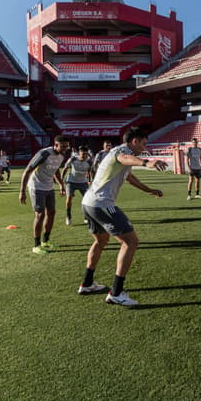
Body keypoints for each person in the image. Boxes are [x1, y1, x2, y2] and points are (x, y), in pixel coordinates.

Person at [77, 127, 168, 306]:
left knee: (101, 241)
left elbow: (129, 177)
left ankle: (87, 284)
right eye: (143, 143)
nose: (144, 147)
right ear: (134, 141)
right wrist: (146, 162)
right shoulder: (122, 151)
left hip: (89, 203)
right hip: (102, 204)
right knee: (131, 242)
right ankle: (116, 292)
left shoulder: (121, 155)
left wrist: (149, 190)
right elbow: (125, 158)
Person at [19, 136, 71, 254]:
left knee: (51, 213)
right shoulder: (44, 153)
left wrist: (61, 185)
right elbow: (28, 170)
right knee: (40, 214)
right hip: (36, 186)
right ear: (56, 144)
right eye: (63, 146)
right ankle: (36, 245)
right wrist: (22, 191)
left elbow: (56, 170)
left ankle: (45, 241)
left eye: (67, 146)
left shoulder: (62, 155)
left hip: (49, 187)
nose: (65, 149)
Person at [61, 145, 92, 226]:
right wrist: (61, 179)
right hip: (71, 181)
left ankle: (86, 217)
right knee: (69, 198)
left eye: (86, 154)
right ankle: (68, 216)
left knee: (87, 200)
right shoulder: (73, 159)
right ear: (79, 153)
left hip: (83, 182)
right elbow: (65, 168)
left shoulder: (89, 161)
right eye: (83, 154)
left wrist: (90, 180)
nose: (84, 156)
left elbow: (90, 171)